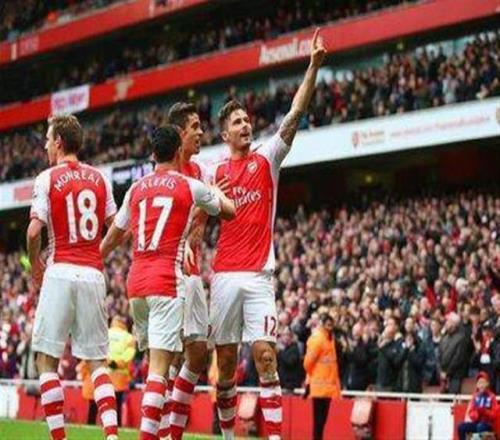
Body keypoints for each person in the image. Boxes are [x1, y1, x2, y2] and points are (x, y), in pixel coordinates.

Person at [208, 28, 327, 440]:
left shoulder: (267, 158)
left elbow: (294, 113)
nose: (245, 125)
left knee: (265, 357)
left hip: (260, 275)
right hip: (224, 275)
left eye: (246, 119)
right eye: (236, 122)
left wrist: (312, 68)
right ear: (225, 134)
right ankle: (228, 436)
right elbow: (197, 217)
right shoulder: (214, 172)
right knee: (226, 365)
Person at [100, 125, 235, 439]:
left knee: (154, 367)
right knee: (159, 372)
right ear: (178, 152)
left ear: (152, 154)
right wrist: (216, 192)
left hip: (136, 284)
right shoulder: (190, 186)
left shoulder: (135, 189)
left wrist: (95, 257)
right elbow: (230, 211)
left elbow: (115, 235)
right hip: (166, 282)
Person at [27, 115, 119, 440]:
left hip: (60, 269)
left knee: (46, 361)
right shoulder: (100, 178)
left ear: (59, 142)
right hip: (93, 274)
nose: (46, 146)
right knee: (97, 363)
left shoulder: (47, 178)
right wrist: (98, 253)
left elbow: (34, 231)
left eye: (48, 139)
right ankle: (111, 435)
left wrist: (35, 266)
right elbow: (118, 227)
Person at [164, 102, 212, 439]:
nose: (201, 132)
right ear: (180, 133)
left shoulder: (202, 172)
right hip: (167, 269)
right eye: (195, 127)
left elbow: (207, 212)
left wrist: (201, 221)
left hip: (192, 268)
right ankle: (165, 431)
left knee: (197, 353)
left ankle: (172, 427)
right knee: (166, 353)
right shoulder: (164, 171)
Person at [303, 314, 341, 440]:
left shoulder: (329, 339)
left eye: (331, 324)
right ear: (323, 324)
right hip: (320, 386)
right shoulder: (318, 340)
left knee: (322, 421)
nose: (330, 327)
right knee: (319, 421)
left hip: (326, 386)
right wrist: (312, 378)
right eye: (328, 324)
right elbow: (307, 363)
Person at [107, 315, 136, 426]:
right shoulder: (128, 337)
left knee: (104, 399)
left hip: (105, 371)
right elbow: (129, 354)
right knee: (117, 401)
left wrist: (107, 361)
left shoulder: (105, 333)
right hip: (120, 374)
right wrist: (118, 363)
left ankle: (105, 423)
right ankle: (116, 424)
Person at [458, 372, 498, 440]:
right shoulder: (475, 396)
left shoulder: (492, 396)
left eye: (483, 382)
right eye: (479, 383)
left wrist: (485, 412)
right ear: (477, 385)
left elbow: (495, 414)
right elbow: (471, 412)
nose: (481, 385)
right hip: (477, 422)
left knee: (480, 427)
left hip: (488, 424)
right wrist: (477, 414)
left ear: (487, 384)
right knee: (461, 427)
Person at [439, 312, 469, 394]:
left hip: (455, 376)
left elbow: (458, 358)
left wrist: (447, 372)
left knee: (453, 397)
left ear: (454, 324)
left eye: (448, 321)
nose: (446, 323)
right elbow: (439, 356)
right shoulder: (444, 338)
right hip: (443, 375)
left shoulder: (461, 338)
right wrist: (441, 371)